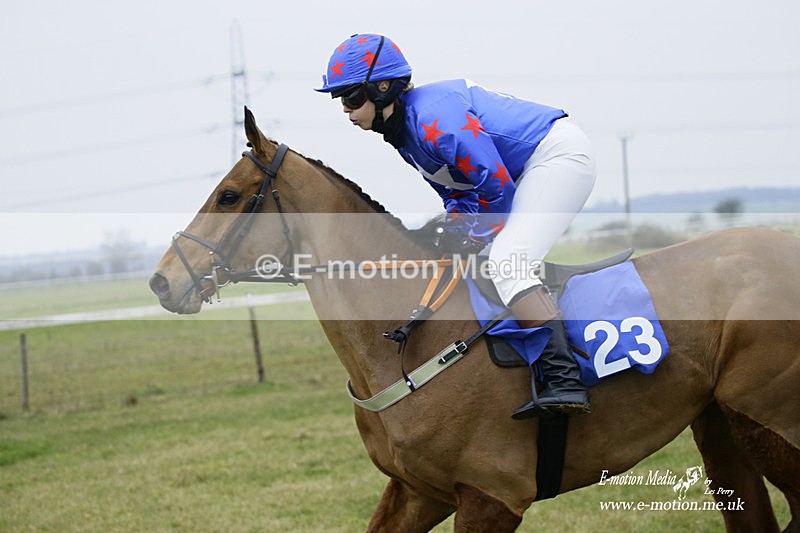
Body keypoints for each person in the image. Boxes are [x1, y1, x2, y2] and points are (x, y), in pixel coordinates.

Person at [316, 34, 595, 418]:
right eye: (341, 101)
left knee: (506, 262)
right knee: (468, 259)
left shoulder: (435, 119)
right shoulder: (402, 134)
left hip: (556, 158)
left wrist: (473, 234)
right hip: (523, 172)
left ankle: (564, 380)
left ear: (383, 88)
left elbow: (496, 188)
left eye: (350, 97)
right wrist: (454, 231)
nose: (346, 110)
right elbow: (458, 194)